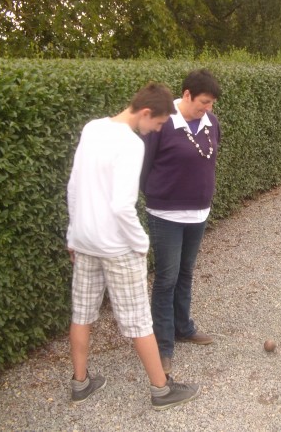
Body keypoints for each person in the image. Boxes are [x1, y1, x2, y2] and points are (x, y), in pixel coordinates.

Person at [66, 82, 201, 409]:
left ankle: (80, 383)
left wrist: (72, 234)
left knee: (82, 312)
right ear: (145, 112)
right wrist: (141, 244)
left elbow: (73, 184)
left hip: (84, 240)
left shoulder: (92, 128)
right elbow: (123, 206)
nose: (155, 130)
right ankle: (161, 390)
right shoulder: (130, 143)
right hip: (116, 246)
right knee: (140, 320)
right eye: (156, 124)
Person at [140, 69, 222, 375]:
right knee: (166, 278)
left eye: (211, 103)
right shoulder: (163, 122)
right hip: (166, 215)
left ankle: (183, 327)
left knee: (185, 273)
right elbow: (144, 167)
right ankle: (162, 346)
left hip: (198, 213)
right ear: (186, 95)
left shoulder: (211, 122)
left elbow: (211, 158)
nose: (208, 108)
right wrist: (159, 196)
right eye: (203, 102)